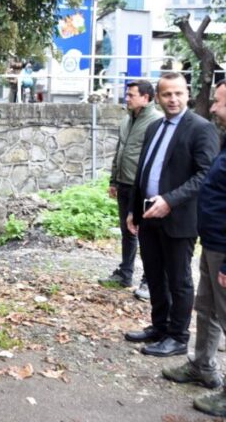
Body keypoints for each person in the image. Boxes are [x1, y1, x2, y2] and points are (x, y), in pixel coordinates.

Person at [124, 73, 219, 357]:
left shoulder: (201, 128)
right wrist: (133, 209)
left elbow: (205, 174)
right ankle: (160, 327)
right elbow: (144, 170)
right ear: (158, 98)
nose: (173, 99)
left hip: (179, 218)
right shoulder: (154, 127)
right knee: (154, 275)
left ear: (187, 94)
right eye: (167, 94)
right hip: (148, 214)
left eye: (178, 93)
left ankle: (178, 336)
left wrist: (170, 200)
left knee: (179, 280)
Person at [161, 80, 226, 416]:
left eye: (218, 102)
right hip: (213, 243)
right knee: (207, 309)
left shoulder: (207, 132)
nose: (213, 108)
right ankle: (202, 365)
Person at [99, 80, 161, 300]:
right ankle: (125, 273)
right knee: (127, 232)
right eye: (127, 94)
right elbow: (120, 150)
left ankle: (149, 280)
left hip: (143, 187)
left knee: (146, 235)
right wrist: (113, 180)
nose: (127, 98)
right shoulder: (126, 120)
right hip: (124, 183)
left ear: (146, 98)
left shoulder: (156, 121)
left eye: (131, 95)